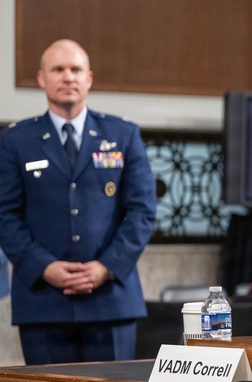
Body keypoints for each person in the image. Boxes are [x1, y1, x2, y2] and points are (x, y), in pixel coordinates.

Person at [0, 39, 157, 364]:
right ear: (42, 78)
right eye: (58, 69)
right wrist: (44, 267)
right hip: (43, 301)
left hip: (111, 298)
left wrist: (106, 267)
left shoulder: (123, 135)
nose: (67, 76)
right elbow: (5, 214)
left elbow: (142, 211)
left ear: (89, 78)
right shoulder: (16, 140)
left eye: (76, 69)